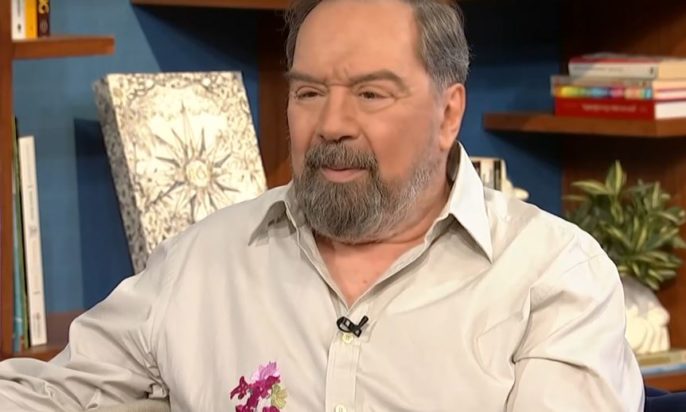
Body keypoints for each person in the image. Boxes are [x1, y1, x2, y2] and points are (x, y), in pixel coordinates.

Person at [0, 0, 644, 411]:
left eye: (370, 94)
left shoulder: (550, 276)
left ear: (448, 114)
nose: (331, 125)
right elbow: (45, 394)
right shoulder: (202, 262)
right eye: (308, 92)